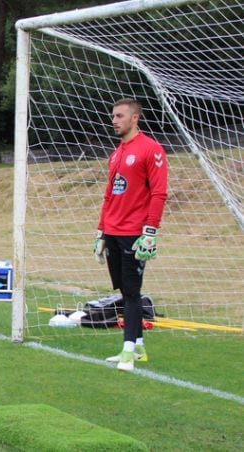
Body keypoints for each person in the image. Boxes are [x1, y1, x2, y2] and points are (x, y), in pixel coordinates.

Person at [94, 98, 168, 371]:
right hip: (113, 230)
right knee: (124, 291)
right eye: (113, 115)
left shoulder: (151, 149)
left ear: (135, 118)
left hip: (134, 232)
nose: (114, 120)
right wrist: (101, 232)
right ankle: (137, 347)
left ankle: (127, 352)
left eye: (120, 116)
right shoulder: (116, 153)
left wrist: (150, 231)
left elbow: (159, 192)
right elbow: (109, 194)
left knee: (133, 292)